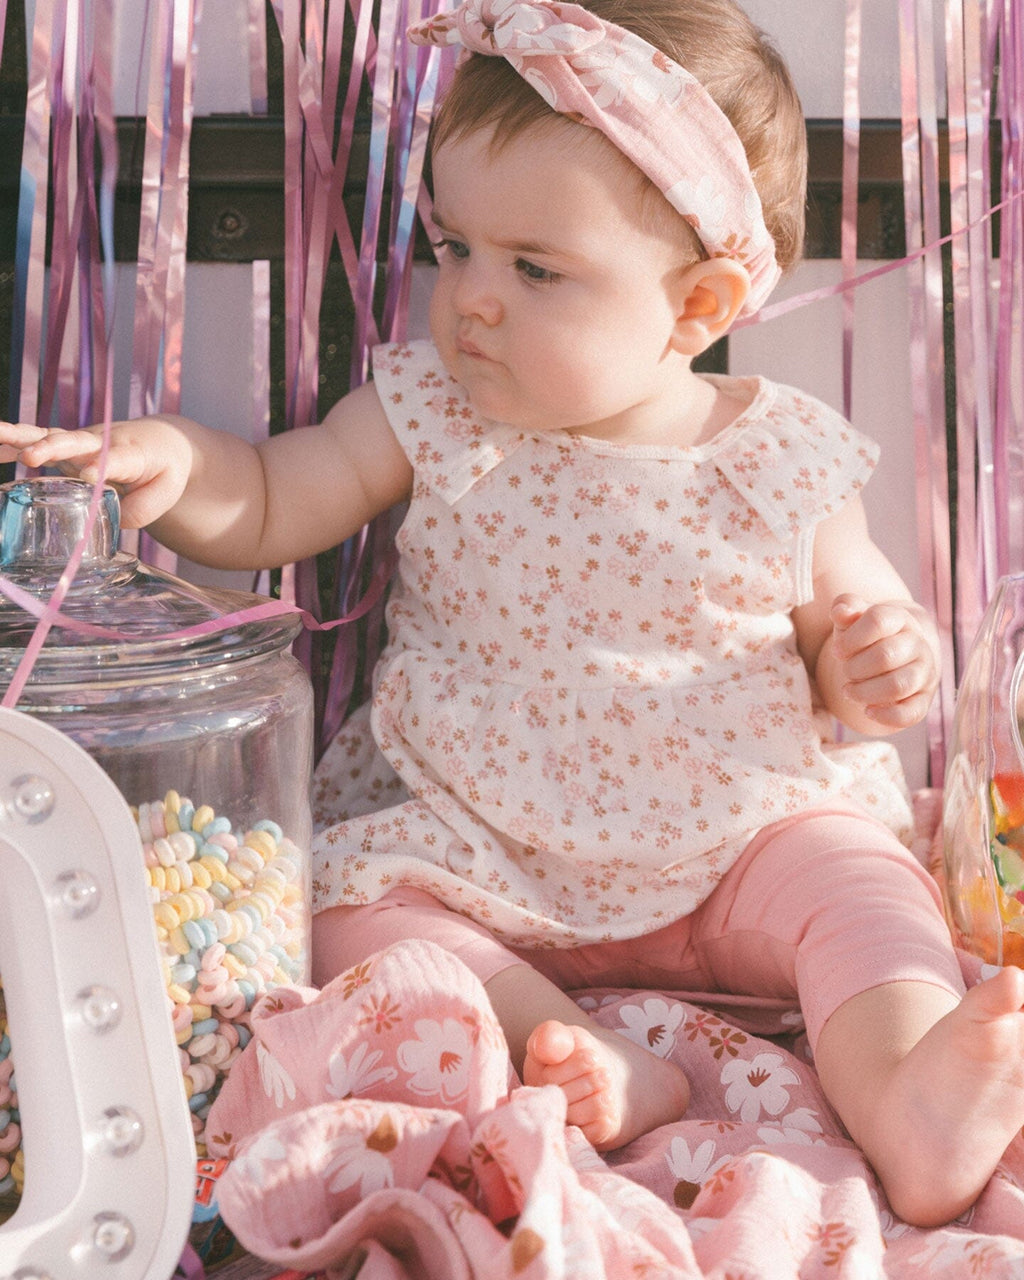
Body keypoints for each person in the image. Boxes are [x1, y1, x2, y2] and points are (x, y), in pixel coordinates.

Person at [3, 0, 1024, 1231]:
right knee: (343, 915)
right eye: (456, 246)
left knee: (864, 888)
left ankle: (911, 1099)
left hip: (740, 839)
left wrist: (879, 658)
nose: (473, 299)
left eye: (535, 269)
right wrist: (168, 462)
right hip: (481, 842)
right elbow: (274, 495)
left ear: (697, 307)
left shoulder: (778, 456)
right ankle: (585, 1049)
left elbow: (855, 642)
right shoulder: (433, 408)